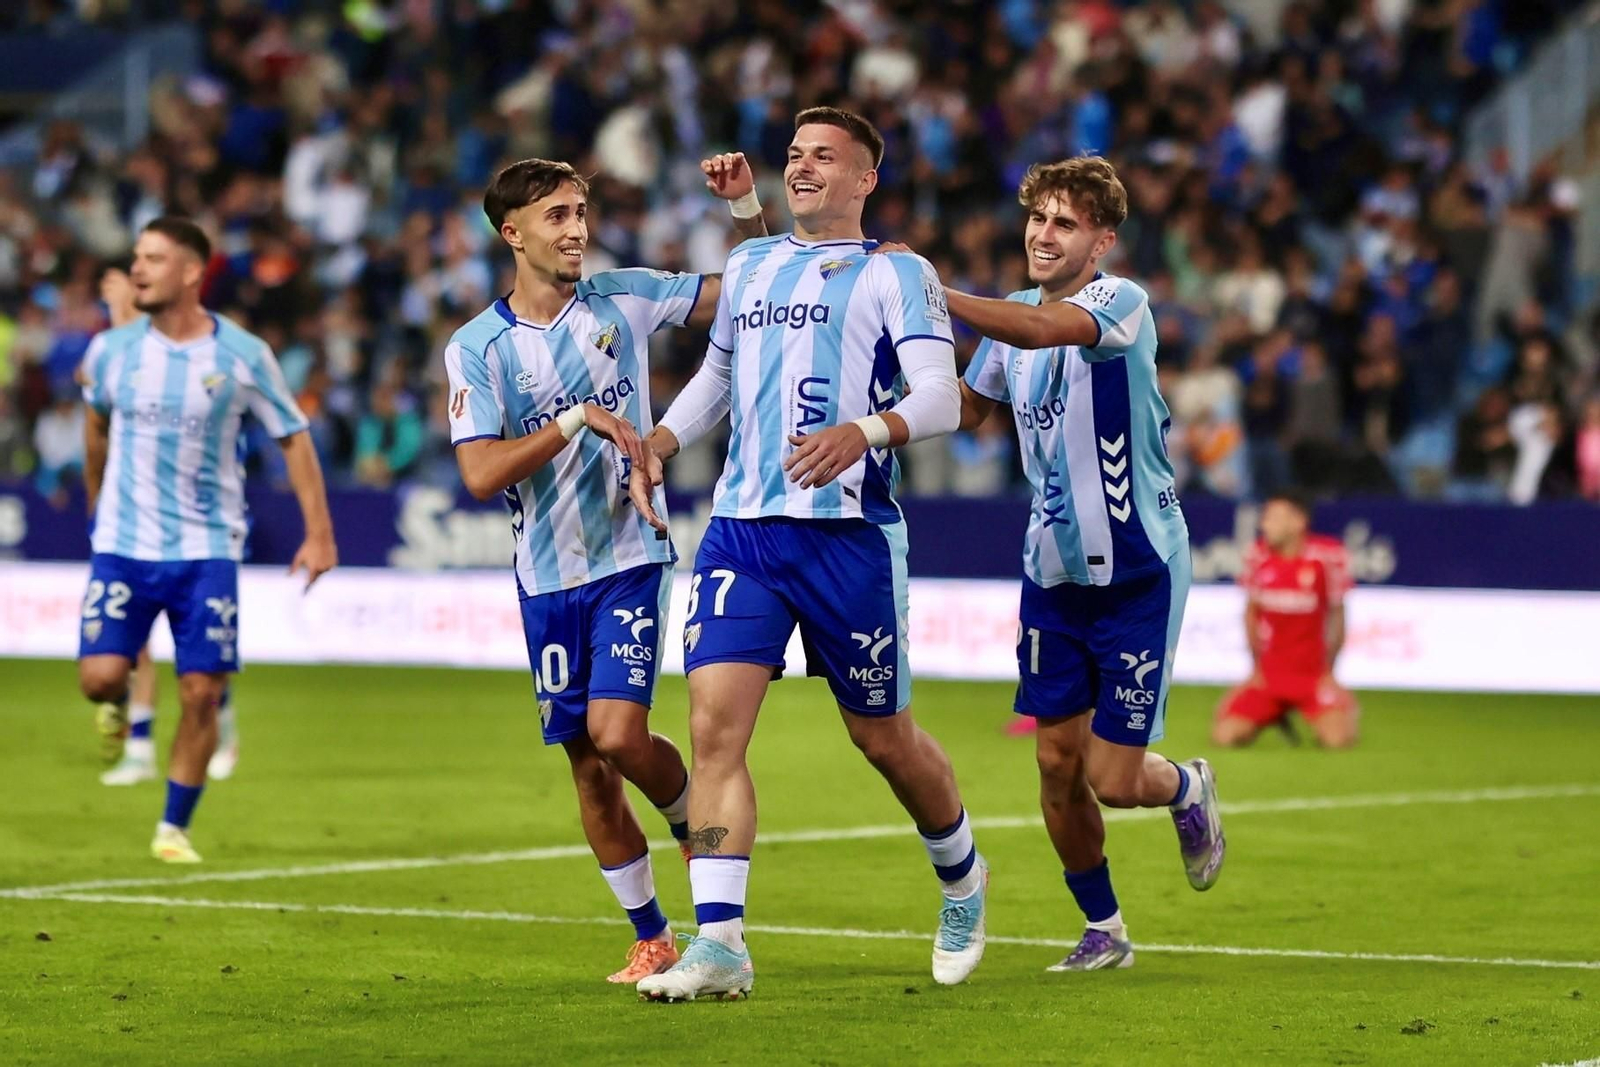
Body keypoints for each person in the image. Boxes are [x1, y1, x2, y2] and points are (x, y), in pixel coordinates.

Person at [637, 107, 985, 1004]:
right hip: (744, 532)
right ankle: (719, 943)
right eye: (795, 154)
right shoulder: (749, 262)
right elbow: (718, 374)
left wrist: (863, 432)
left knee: (884, 739)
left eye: (824, 157)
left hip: (849, 538)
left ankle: (961, 875)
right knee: (715, 731)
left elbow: (943, 396)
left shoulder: (899, 272)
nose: (803, 167)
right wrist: (660, 443)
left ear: (865, 179)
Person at [891, 155, 1226, 972]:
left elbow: (1044, 330)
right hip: (1051, 570)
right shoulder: (1008, 318)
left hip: (1139, 569)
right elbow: (968, 408)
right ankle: (1104, 927)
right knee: (1053, 763)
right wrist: (883, 387)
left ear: (1101, 240)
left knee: (1113, 776)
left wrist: (927, 290)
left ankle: (1185, 786)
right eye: (1038, 218)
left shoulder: (1119, 303)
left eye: (1065, 223)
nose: (1045, 234)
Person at [442, 155, 767, 985]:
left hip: (629, 556)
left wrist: (744, 212)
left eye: (581, 211)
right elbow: (480, 475)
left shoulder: (623, 294)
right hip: (545, 576)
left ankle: (696, 824)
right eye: (557, 215)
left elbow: (761, 292)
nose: (577, 228)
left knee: (618, 733)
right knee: (588, 768)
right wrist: (575, 420)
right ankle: (653, 933)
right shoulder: (477, 348)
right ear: (512, 233)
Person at [77, 217, 337, 863]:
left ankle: (173, 825)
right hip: (124, 544)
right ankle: (113, 706)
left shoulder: (242, 354)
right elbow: (95, 429)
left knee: (201, 691)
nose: (138, 268)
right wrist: (95, 508)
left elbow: (293, 437)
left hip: (207, 549)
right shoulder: (111, 351)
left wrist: (320, 533)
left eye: (153, 259)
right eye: (136, 256)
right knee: (100, 677)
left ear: (192, 272)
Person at [92, 264, 241, 787]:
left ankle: (219, 726)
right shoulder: (121, 350)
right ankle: (141, 742)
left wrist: (119, 315)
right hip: (138, 516)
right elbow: (98, 388)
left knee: (192, 645)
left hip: (202, 518)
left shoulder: (211, 348)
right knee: (137, 642)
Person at [1214, 489, 1359, 748]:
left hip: (1312, 676)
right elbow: (1251, 614)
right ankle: (1272, 713)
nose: (1264, 524)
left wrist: (1330, 671)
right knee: (1225, 736)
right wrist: (1255, 668)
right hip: (1269, 676)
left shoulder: (1327, 556)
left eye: (1273, 518)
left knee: (1337, 740)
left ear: (1298, 522)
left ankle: (1343, 708)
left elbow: (1337, 615)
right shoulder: (1258, 556)